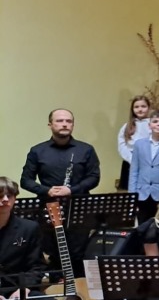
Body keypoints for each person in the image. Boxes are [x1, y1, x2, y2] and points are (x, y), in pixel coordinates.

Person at [22, 108, 101, 273]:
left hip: (79, 209)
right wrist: (47, 190)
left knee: (78, 255)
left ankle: (78, 287)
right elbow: (26, 180)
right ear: (50, 125)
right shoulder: (37, 151)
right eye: (59, 121)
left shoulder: (86, 150)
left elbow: (94, 177)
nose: (64, 124)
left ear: (73, 125)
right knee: (53, 254)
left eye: (68, 121)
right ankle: (55, 286)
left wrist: (71, 190)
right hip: (49, 208)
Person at [129, 110, 159, 223]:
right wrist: (132, 195)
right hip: (141, 193)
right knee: (142, 225)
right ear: (149, 125)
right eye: (155, 121)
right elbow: (134, 170)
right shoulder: (139, 144)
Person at [117, 95, 151, 191]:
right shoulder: (126, 126)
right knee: (129, 191)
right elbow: (122, 145)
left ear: (149, 108)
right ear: (132, 109)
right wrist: (131, 159)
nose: (140, 109)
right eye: (136, 107)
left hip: (148, 163)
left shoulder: (152, 125)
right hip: (129, 162)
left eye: (143, 106)